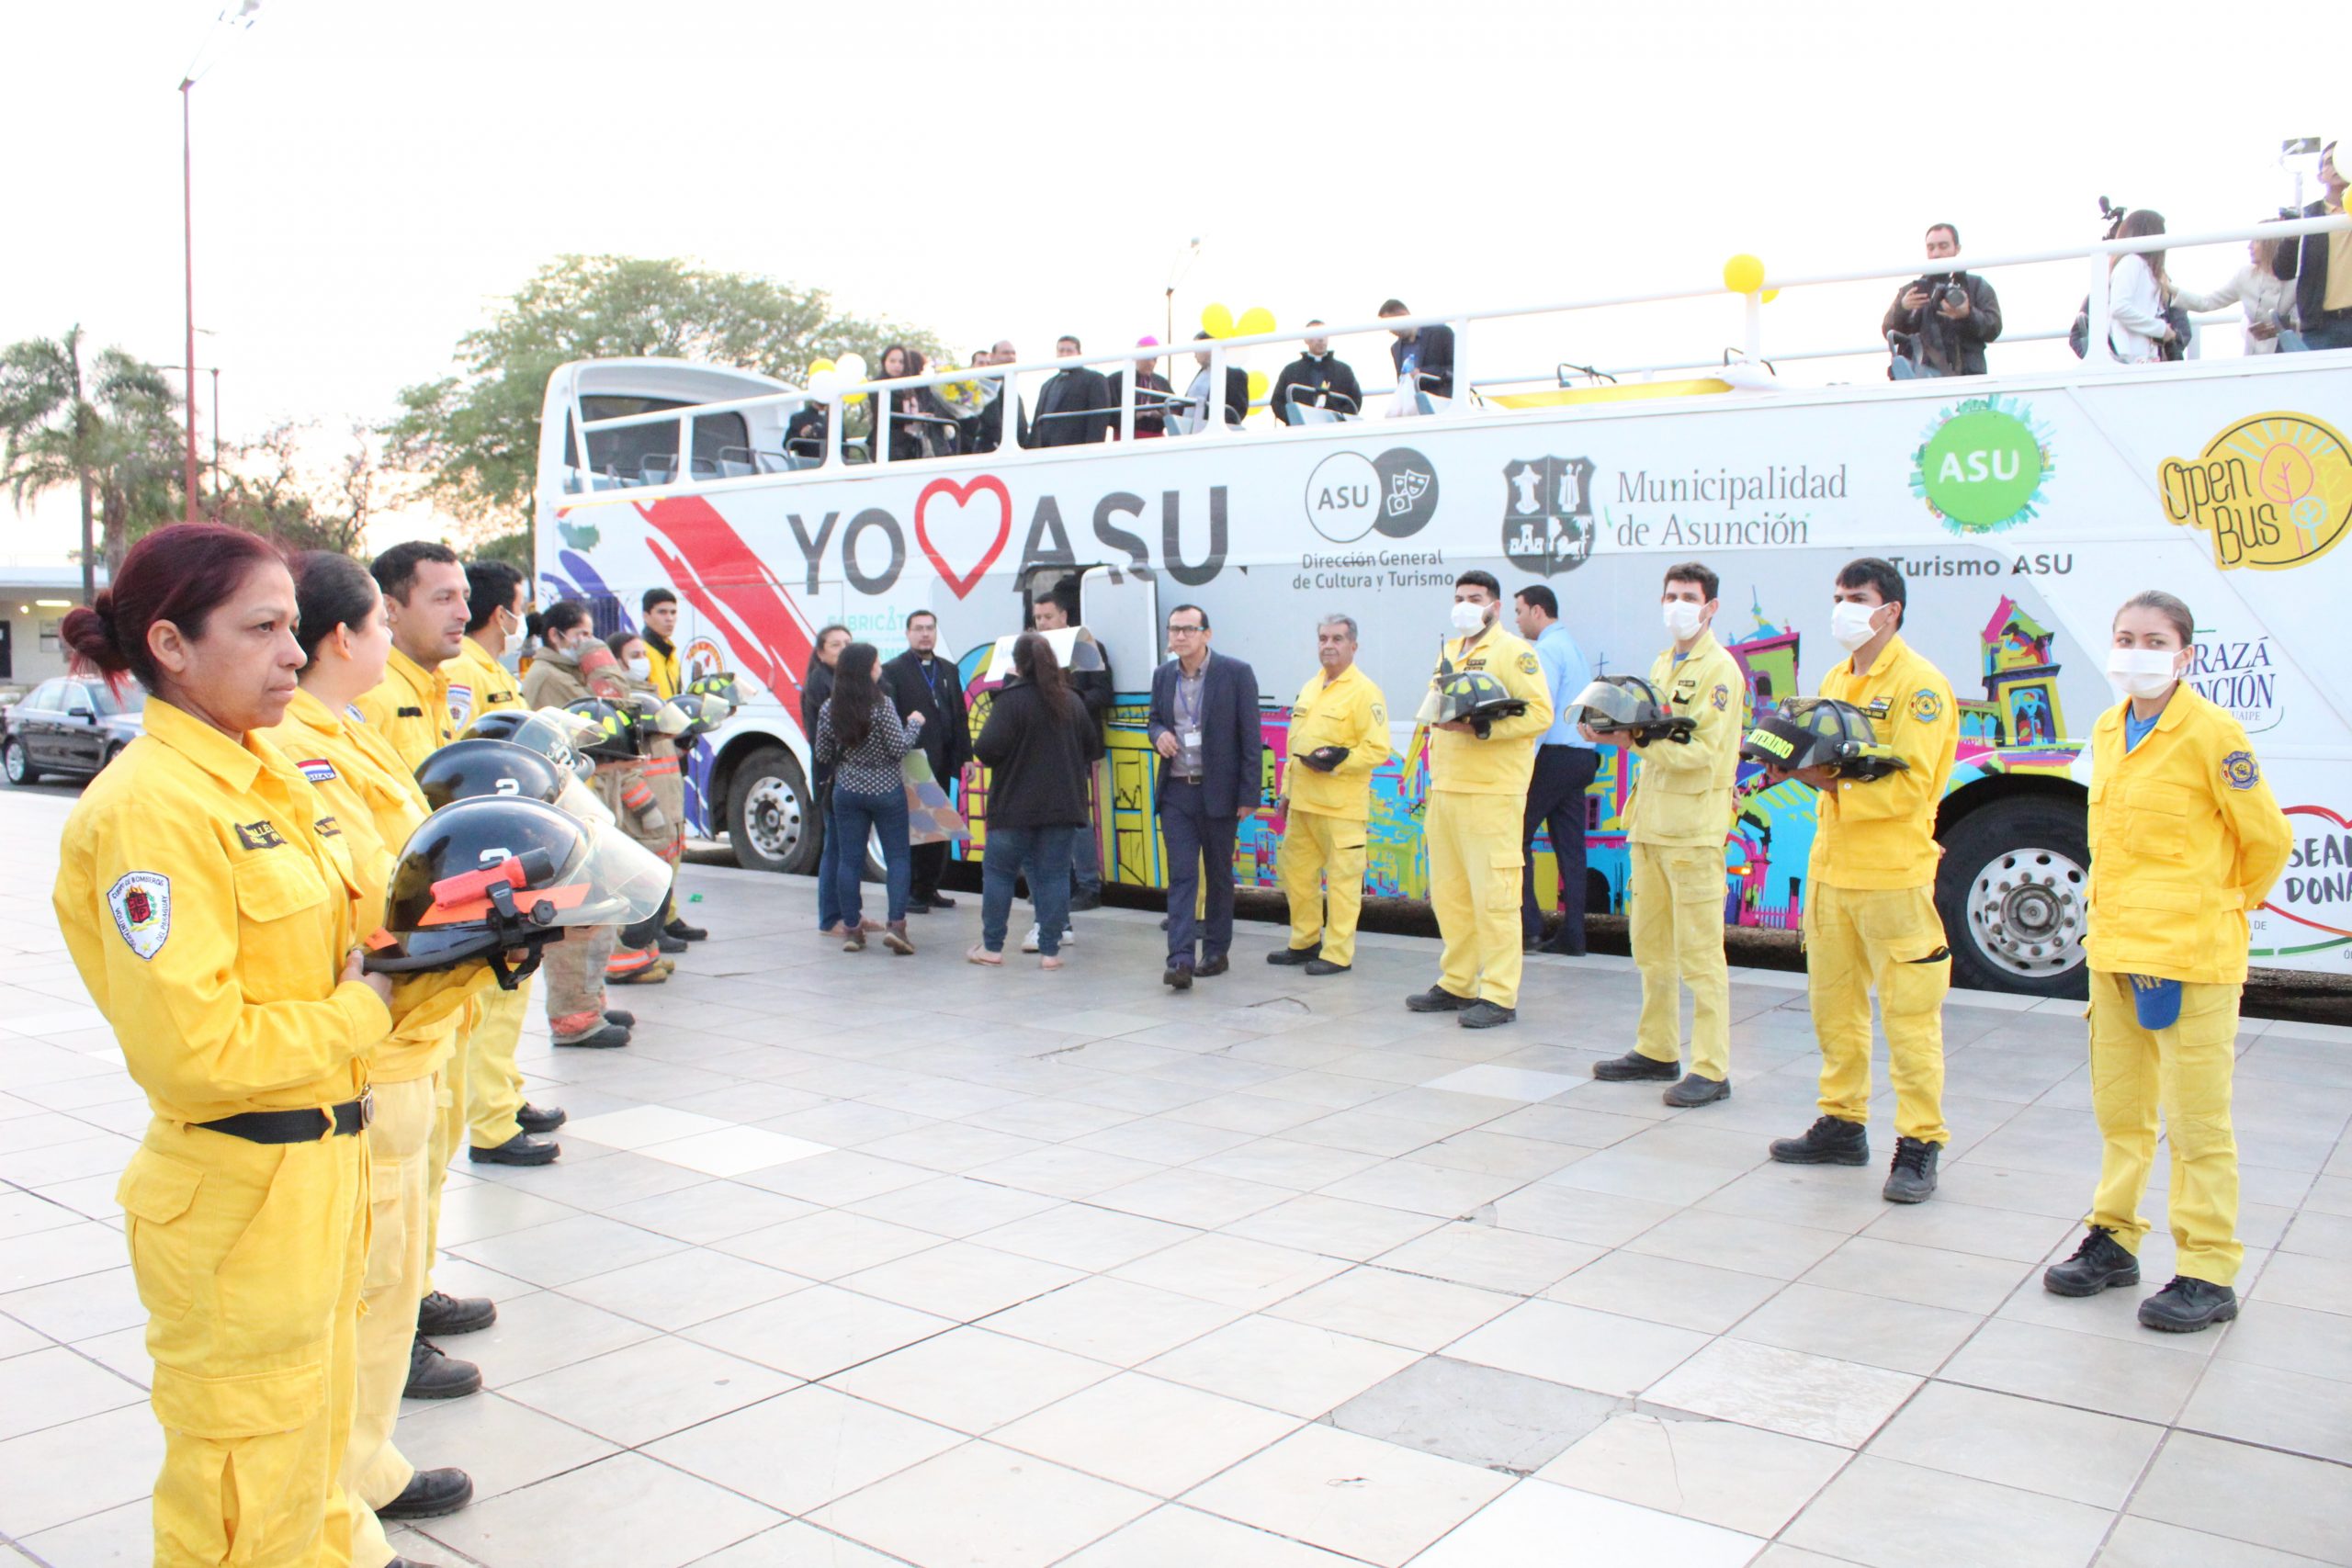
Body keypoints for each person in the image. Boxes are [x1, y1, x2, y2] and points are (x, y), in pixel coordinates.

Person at [52, 524, 397, 1567]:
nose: (297, 653)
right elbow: (195, 1053)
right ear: (169, 643)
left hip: (320, 1169)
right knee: (244, 1487)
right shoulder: (151, 811)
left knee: (317, 1443)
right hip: (238, 1193)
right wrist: (368, 1007)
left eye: (293, 628)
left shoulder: (274, 772)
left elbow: (353, 938)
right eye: (262, 629)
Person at [262, 551, 492, 1559]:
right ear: (344, 637)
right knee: (368, 1292)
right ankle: (345, 1486)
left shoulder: (342, 736)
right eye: (388, 623)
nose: (400, 639)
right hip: (371, 1050)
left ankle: (367, 1465)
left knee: (391, 1285)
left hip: (409, 1037)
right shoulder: (295, 751)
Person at [2041, 591, 2292, 1332]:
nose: (2137, 651)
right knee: (2122, 1112)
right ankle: (2114, 1238)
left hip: (2192, 957)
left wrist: (2220, 906)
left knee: (2196, 1121)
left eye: (2155, 640)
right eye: (2126, 637)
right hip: (2116, 951)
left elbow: (2268, 839)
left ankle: (2208, 1270)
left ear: (2185, 655)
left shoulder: (2213, 733)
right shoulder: (2110, 727)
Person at [1764, 558, 1959, 1203]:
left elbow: (1911, 786)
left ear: (1890, 611)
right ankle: (1842, 1122)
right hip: (1831, 873)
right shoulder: (1834, 677)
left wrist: (1826, 780)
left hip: (1893, 877)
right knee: (1834, 1010)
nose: (1843, 607)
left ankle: (1920, 1141)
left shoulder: (1920, 686)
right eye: (1838, 595)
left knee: (1909, 1016)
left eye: (1857, 598)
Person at [353, 540, 499, 1362]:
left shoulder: (449, 686)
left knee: (433, 1150)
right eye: (440, 597)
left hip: (449, 956)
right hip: (401, 969)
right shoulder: (369, 703)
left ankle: (416, 1286)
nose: (459, 612)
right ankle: (390, 1321)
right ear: (389, 608)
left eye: (463, 596)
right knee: (396, 1172)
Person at [1586, 563, 1747, 1106]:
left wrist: (1630, 742)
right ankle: (1656, 1049)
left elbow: (1701, 752)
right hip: (1651, 827)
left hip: (1693, 833)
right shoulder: (1664, 661)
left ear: (1710, 607)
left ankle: (1711, 1067)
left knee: (1701, 956)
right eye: (1671, 595)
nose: (1677, 605)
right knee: (1651, 949)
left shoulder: (1719, 670)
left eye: (1689, 597)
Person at [447, 560, 567, 1165]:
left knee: (511, 990)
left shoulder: (492, 667)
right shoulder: (461, 673)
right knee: (494, 994)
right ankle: (491, 1123)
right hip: (485, 850)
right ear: (504, 613)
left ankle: (505, 1094)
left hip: (509, 843)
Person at [1408, 571, 1554, 1028]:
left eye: (1475, 598)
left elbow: (1540, 714)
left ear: (1494, 605)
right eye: (1459, 598)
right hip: (1447, 788)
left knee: (1495, 898)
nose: (1465, 605)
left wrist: (1482, 727)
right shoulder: (1451, 651)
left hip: (1492, 792)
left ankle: (1499, 993)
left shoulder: (1515, 652)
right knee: (1450, 896)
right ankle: (1457, 981)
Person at [520, 601, 634, 1049]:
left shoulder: (564, 675)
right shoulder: (551, 677)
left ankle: (591, 1002)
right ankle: (573, 1016)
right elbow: (613, 712)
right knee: (577, 919)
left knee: (597, 914)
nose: (589, 643)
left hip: (588, 804)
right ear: (557, 637)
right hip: (568, 813)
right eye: (582, 635)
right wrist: (601, 662)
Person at [969, 632, 1103, 970]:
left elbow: (985, 749)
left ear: (1017, 664)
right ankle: (1050, 953)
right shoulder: (1072, 701)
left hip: (1014, 808)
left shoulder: (1010, 701)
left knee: (999, 875)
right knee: (1056, 876)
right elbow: (1092, 747)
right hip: (1062, 807)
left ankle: (992, 948)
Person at [1148, 604, 1263, 989]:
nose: (1180, 636)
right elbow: (1154, 718)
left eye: (1188, 629)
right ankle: (1180, 959)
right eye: (1174, 629)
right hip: (1177, 791)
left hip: (1219, 792)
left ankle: (1216, 950)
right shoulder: (1164, 676)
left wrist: (1249, 794)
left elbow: (1250, 736)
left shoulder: (1235, 673)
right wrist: (1158, 733)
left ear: (1206, 634)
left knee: (1217, 875)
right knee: (1182, 875)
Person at [1269, 615, 1390, 976]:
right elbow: (1295, 747)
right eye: (1323, 638)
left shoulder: (1365, 691)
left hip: (1341, 808)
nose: (1328, 645)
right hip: (1303, 805)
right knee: (1298, 877)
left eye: (1337, 639)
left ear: (1353, 645)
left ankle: (1337, 953)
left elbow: (1378, 748)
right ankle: (1304, 941)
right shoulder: (1311, 687)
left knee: (1342, 884)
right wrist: (1287, 794)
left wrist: (1338, 761)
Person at [816, 641, 920, 953]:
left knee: (849, 860)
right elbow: (899, 748)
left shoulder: (829, 708)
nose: (880, 668)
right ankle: (897, 927)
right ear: (865, 669)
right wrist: (914, 724)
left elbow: (822, 753)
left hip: (847, 791)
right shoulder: (882, 705)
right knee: (898, 857)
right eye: (876, 663)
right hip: (886, 790)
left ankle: (851, 929)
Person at [1512, 584, 1598, 956]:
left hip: (1553, 755)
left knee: (1515, 837)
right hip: (1581, 756)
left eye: (1518, 611)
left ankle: (1529, 926)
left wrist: (1524, 760)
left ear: (1537, 611)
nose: (1516, 621)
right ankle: (1574, 934)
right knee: (1571, 849)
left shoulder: (1546, 650)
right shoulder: (1574, 648)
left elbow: (1541, 711)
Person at [1031, 586, 1114, 931]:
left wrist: (1068, 703)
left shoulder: (1088, 647)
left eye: (1048, 617)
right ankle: (1057, 885)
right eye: (1037, 619)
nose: (1042, 624)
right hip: (1041, 746)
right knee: (1047, 818)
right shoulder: (1034, 651)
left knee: (1077, 817)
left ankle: (1088, 886)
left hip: (1076, 744)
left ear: (1065, 617)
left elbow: (1103, 692)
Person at [605, 630, 684, 976]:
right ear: (618, 661)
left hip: (664, 812)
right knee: (642, 893)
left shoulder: (652, 700)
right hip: (646, 818)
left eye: (643, 653)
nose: (642, 660)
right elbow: (627, 771)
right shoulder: (626, 705)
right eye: (634, 654)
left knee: (658, 893)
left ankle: (646, 955)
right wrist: (648, 809)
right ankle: (629, 962)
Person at [884, 610, 972, 913]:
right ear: (908, 634)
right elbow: (890, 718)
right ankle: (913, 892)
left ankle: (929, 887)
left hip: (944, 759)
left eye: (930, 628)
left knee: (940, 829)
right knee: (919, 831)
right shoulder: (893, 670)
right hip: (914, 760)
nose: (925, 634)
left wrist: (967, 758)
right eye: (919, 629)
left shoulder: (947, 669)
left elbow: (960, 715)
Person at [353, 541, 466, 769]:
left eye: (465, 597)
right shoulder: (369, 694)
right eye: (445, 598)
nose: (465, 613)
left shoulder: (434, 686)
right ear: (391, 609)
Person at [803, 623, 868, 937]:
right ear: (820, 653)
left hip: (851, 778)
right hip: (832, 779)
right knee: (836, 849)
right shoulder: (820, 684)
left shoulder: (846, 682)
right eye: (835, 645)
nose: (843, 650)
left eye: (848, 643)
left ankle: (852, 913)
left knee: (851, 849)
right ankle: (831, 917)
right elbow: (823, 741)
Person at [1881, 222, 2003, 378]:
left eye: (1943, 246)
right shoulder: (1910, 291)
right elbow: (1888, 330)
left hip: (1967, 377)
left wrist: (1968, 315)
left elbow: (1994, 328)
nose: (1936, 253)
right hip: (1919, 378)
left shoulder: (1976, 286)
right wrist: (1903, 309)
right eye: (1930, 248)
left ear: (1957, 249)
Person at [2275, 139, 2352, 351]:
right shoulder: (2308, 216)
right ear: (2320, 177)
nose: (2336, 165)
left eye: (2341, 159)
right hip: (2321, 327)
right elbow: (2283, 270)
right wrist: (2290, 237)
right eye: (2329, 162)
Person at [2175, 231, 2300, 355]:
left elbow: (2305, 320)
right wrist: (2170, 290)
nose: (2249, 247)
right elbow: (2207, 303)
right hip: (2256, 357)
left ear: (2270, 244)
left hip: (2292, 353)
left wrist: (2286, 326)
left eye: (2256, 241)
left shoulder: (2296, 279)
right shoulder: (2245, 276)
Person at [2104, 209, 2180, 364]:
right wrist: (2161, 329)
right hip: (2127, 356)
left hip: (2139, 357)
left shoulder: (2143, 268)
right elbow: (2119, 308)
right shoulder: (2132, 263)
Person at [878, 344, 962, 460]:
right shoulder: (880, 386)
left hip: (916, 445)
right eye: (892, 361)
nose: (897, 366)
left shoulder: (913, 388)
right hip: (892, 445)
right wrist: (915, 417)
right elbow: (883, 415)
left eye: (902, 362)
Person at [1270, 322, 1364, 423]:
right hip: (1301, 430)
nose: (1321, 339)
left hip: (1336, 431)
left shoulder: (1344, 370)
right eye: (1315, 334)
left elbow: (1355, 400)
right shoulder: (1290, 371)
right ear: (1305, 339)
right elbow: (1277, 402)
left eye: (1324, 334)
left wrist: (1336, 419)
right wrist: (1295, 419)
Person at [1032, 334, 1114, 446]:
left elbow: (1098, 420)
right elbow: (1037, 423)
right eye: (1061, 351)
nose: (1064, 354)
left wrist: (1092, 451)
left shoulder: (1094, 379)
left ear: (1079, 354)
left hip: (1075, 450)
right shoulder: (1046, 385)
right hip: (1045, 452)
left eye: (1069, 351)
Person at [1381, 299, 1455, 407]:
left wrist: (1421, 373)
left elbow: (1456, 370)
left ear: (1403, 315)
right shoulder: (1395, 348)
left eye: (1391, 324)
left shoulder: (1442, 334)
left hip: (1443, 403)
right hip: (1412, 408)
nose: (1390, 331)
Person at [965, 339, 1030, 453]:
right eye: (1005, 353)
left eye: (1013, 353)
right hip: (989, 452)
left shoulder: (1011, 387)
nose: (1010, 357)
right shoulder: (983, 385)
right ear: (992, 357)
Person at [1177, 332, 1250, 431]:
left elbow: (1239, 408)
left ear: (1208, 348)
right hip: (1189, 430)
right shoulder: (1201, 374)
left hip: (1213, 432)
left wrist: (1219, 425)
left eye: (1197, 350)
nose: (1194, 355)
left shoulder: (1234, 374)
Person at [1106, 338, 1174, 438]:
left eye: (1155, 359)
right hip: (1126, 437)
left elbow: (1174, 410)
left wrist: (1160, 415)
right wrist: (1135, 415)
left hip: (1156, 437)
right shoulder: (1116, 379)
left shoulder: (1161, 382)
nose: (1151, 363)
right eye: (1147, 358)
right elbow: (1108, 413)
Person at [640, 586, 683, 696]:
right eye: (662, 612)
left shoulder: (672, 656)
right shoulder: (641, 653)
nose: (669, 618)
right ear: (646, 616)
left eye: (673, 613)